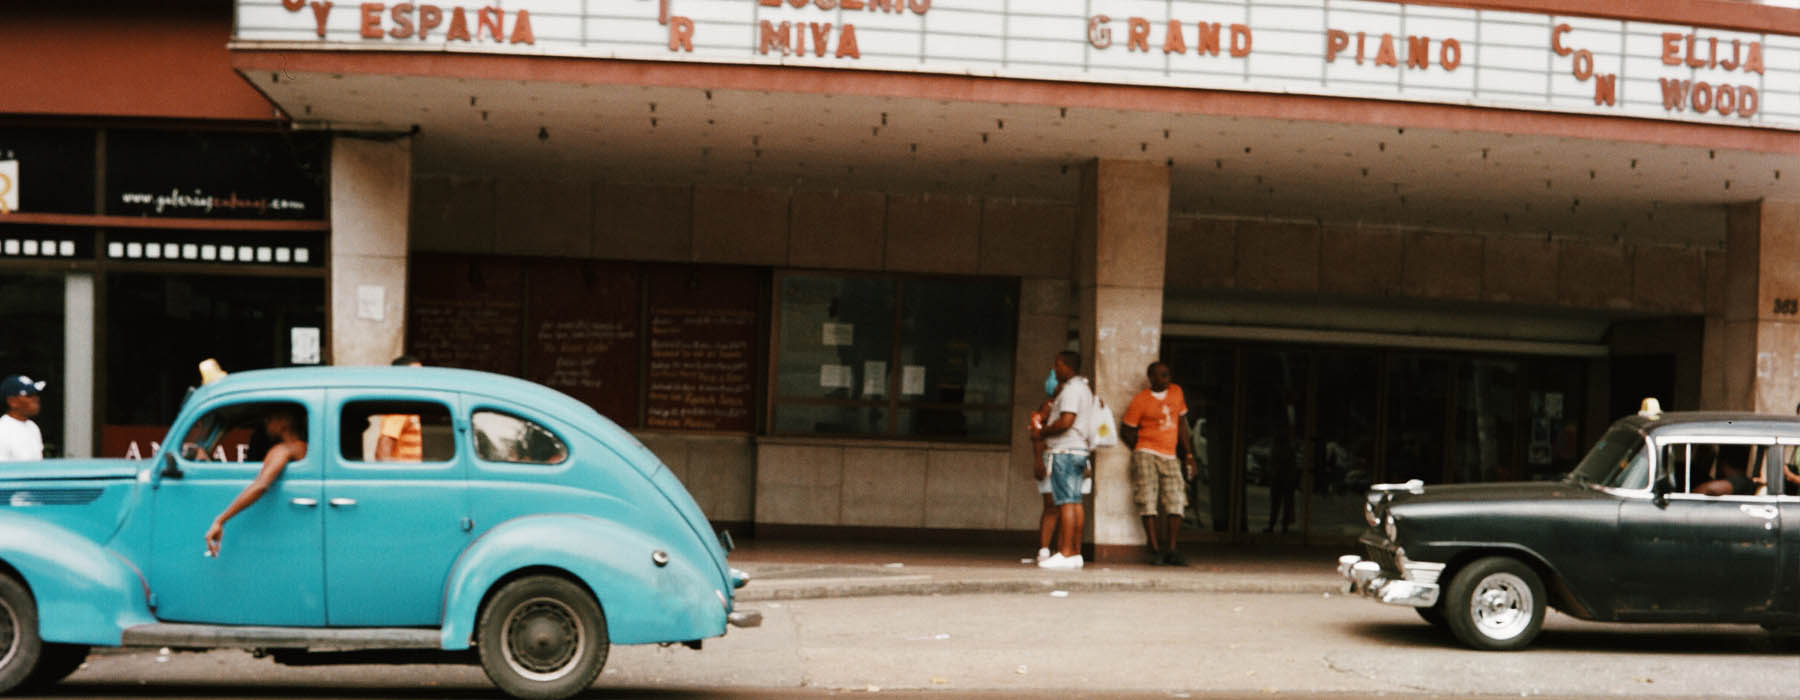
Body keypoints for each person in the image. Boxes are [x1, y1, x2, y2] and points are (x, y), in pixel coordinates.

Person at [1120, 361, 1197, 566]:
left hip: (1170, 454)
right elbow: (1126, 429)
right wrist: (1141, 448)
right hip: (1146, 452)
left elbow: (1181, 424)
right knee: (1147, 499)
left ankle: (1171, 548)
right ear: (1151, 378)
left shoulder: (1176, 392)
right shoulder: (1141, 400)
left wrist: (1189, 454)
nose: (1166, 379)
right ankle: (1154, 549)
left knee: (1176, 498)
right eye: (1161, 376)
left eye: (1167, 375)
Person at [204, 406, 308, 557]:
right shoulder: (304, 448)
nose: (265, 422)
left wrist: (221, 519)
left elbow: (261, 485)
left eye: (270, 418)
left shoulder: (283, 450)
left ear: (285, 421)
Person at [1032, 350, 1090, 570]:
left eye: (1057, 366)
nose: (1055, 371)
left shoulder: (1071, 391)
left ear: (1066, 365)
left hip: (1065, 451)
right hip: (1079, 451)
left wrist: (1044, 432)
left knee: (1065, 502)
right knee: (1075, 502)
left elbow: (1066, 421)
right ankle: (1075, 553)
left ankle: (1065, 552)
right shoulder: (1084, 389)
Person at [375, 355, 424, 462]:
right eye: (416, 376)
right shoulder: (400, 409)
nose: (421, 380)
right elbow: (382, 453)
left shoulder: (410, 407)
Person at [1029, 394, 1059, 563]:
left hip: (1063, 456)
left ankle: (1060, 549)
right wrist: (1038, 460)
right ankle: (1045, 549)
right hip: (1049, 458)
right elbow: (1037, 435)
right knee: (1051, 506)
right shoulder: (1047, 406)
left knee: (1064, 507)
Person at [0, 374, 46, 461]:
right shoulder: (2, 430)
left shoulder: (33, 427)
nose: (36, 399)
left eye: (35, 394)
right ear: (12, 401)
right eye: (29, 395)